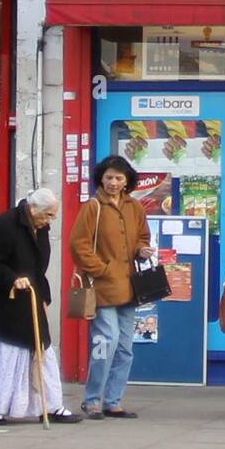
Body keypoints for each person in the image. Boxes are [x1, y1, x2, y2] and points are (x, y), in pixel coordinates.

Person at [0, 188, 82, 424]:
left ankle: (51, 405)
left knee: (43, 351)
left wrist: (45, 295)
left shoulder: (39, 225)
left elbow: (38, 266)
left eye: (53, 216)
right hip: (5, 302)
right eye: (48, 215)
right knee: (9, 356)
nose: (50, 220)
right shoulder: (6, 224)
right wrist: (12, 278)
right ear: (33, 209)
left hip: (30, 295)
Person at [70, 155, 153, 420]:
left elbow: (142, 236)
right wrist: (102, 269)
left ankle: (113, 401)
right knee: (106, 342)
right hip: (103, 288)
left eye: (119, 178)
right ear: (100, 179)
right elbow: (79, 245)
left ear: (127, 180)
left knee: (126, 347)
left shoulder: (135, 207)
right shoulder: (92, 207)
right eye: (109, 177)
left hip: (130, 288)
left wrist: (142, 249)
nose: (114, 182)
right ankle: (92, 400)